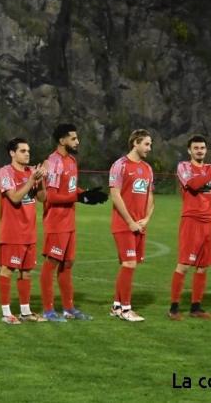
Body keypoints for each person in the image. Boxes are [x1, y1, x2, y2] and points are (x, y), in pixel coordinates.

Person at [40, 123, 107, 322]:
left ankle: (69, 309)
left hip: (69, 221)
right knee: (51, 264)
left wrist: (84, 194)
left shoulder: (71, 161)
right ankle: (48, 311)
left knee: (67, 265)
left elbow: (69, 189)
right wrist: (78, 198)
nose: (77, 142)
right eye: (73, 138)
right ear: (62, 141)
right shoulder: (53, 162)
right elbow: (51, 196)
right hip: (56, 222)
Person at [168, 135, 211, 320]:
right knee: (184, 264)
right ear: (189, 150)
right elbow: (194, 185)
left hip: (208, 222)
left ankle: (195, 307)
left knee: (202, 267)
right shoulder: (184, 167)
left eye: (202, 148)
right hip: (191, 221)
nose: (200, 151)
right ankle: (174, 308)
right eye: (196, 148)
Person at [0, 138, 47, 324]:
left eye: (28, 150)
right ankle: (6, 313)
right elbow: (15, 198)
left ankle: (25, 312)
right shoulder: (5, 172)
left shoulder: (31, 172)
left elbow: (42, 198)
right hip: (12, 231)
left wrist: (40, 181)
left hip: (29, 231)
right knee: (8, 269)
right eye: (23, 150)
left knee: (26, 272)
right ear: (12, 153)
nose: (27, 153)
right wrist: (31, 180)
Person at [108, 129, 154, 322]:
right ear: (135, 142)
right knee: (129, 263)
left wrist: (146, 218)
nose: (149, 148)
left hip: (139, 225)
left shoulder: (147, 168)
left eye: (150, 145)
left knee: (127, 265)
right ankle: (127, 310)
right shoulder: (120, 165)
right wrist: (130, 222)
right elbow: (115, 194)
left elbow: (150, 196)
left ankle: (117, 306)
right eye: (146, 144)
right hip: (124, 224)